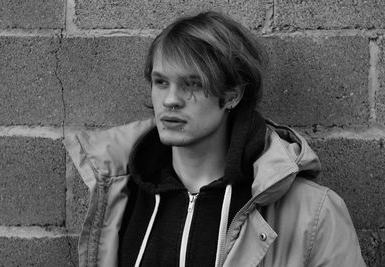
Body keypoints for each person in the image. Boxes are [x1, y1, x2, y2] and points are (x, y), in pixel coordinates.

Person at [64, 11, 366, 267]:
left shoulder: (312, 212)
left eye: (192, 84)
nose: (170, 100)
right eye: (160, 82)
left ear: (232, 94)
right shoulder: (118, 194)